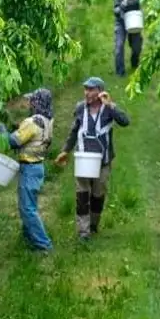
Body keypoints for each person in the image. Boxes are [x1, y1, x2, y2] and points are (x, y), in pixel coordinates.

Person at [55, 77, 130, 241]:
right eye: (86, 89)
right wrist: (65, 150)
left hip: (102, 161)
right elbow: (75, 131)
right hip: (83, 159)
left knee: (98, 194)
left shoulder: (108, 109)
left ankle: (94, 224)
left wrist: (111, 104)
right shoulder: (80, 108)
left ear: (100, 91)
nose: (87, 93)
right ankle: (83, 231)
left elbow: (125, 121)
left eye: (91, 90)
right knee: (82, 194)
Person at [6, 88, 55, 253]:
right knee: (28, 205)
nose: (30, 103)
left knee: (28, 209)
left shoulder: (32, 122)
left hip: (29, 168)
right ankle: (29, 239)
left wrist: (1, 131)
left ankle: (44, 245)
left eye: (32, 100)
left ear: (37, 102)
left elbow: (13, 141)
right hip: (38, 168)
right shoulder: (47, 120)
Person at [113, 0, 146, 77]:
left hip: (134, 20)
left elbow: (140, 1)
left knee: (136, 47)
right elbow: (117, 1)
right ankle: (120, 72)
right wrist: (118, 8)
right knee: (119, 46)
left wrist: (126, 3)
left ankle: (134, 62)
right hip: (121, 20)